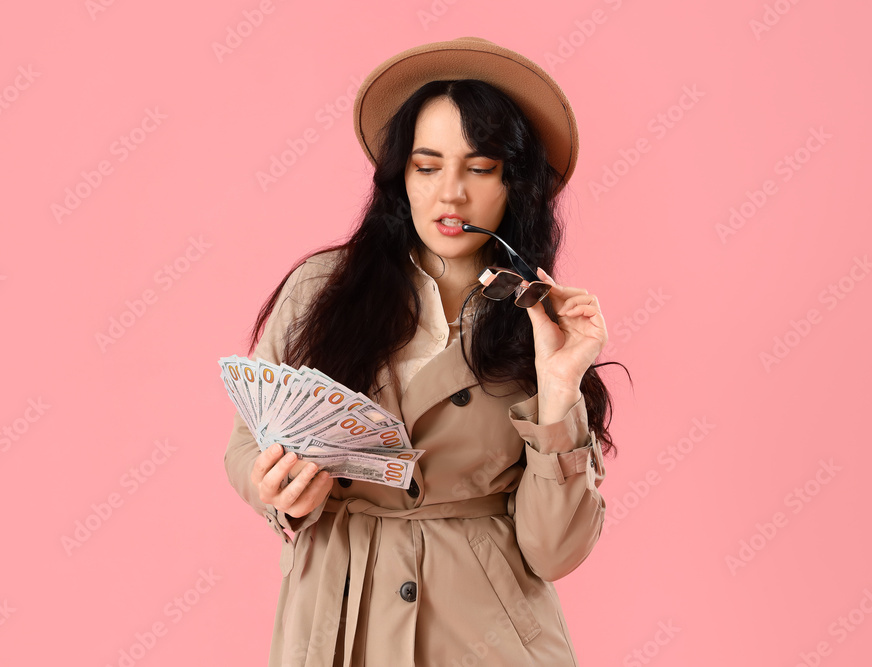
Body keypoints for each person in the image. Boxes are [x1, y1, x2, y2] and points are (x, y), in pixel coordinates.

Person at [224, 36, 622, 666]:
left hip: (485, 638)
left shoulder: (544, 323)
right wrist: (272, 488)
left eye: (480, 168)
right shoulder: (320, 290)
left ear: (515, 182)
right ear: (400, 178)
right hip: (337, 625)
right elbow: (250, 439)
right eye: (427, 166)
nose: (451, 193)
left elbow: (554, 551)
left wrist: (559, 386)